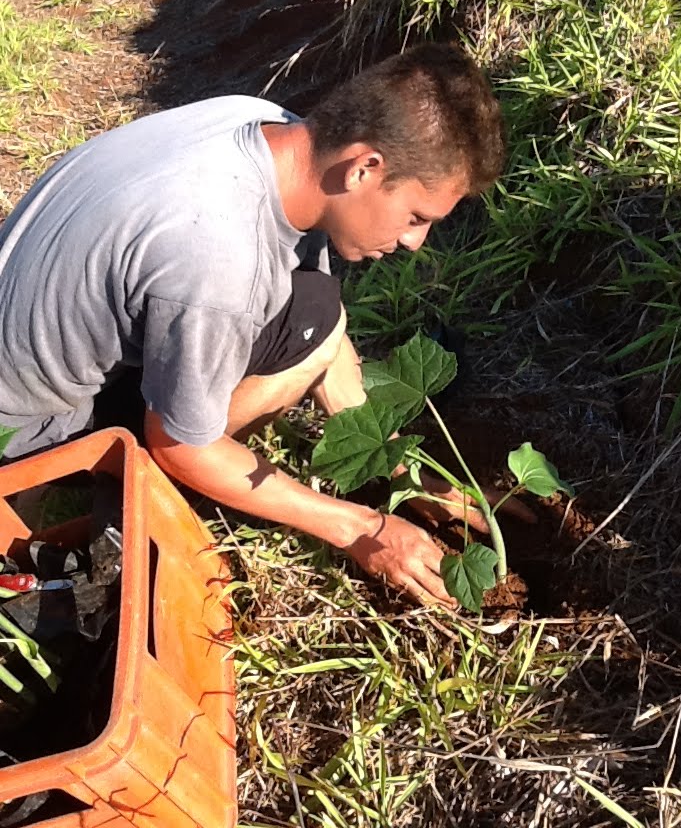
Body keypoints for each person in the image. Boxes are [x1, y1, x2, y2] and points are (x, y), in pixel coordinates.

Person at [0, 43, 531, 608]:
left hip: (30, 344)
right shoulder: (219, 261)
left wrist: (402, 469)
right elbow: (182, 444)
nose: (412, 241)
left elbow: (320, 326)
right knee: (260, 377)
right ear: (363, 168)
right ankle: (118, 490)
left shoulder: (254, 121)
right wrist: (357, 528)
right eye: (416, 217)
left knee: (313, 315)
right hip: (29, 437)